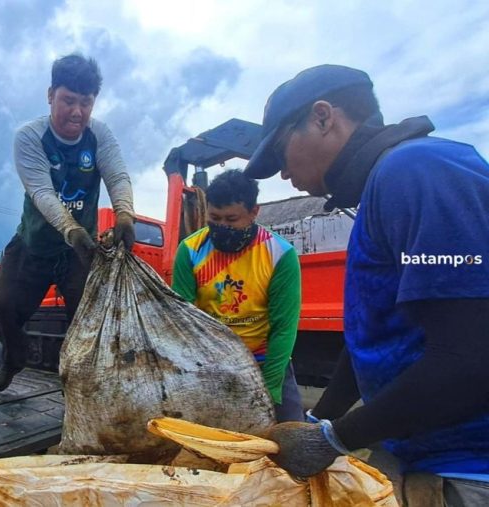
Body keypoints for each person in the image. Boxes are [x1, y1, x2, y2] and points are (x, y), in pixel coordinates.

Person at [245, 64, 489, 504]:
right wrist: (322, 417)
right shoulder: (381, 188)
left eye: (281, 153)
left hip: (468, 470)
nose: (284, 173)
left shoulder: (416, 172)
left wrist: (337, 437)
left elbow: (470, 357)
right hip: (420, 451)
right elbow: (376, 341)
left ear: (323, 117)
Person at [0, 53, 135, 393]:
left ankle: (79, 384)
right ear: (50, 94)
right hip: (34, 244)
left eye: (86, 103)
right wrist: (72, 230)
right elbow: (42, 193)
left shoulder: (99, 135)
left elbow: (117, 175)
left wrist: (124, 213)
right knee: (5, 306)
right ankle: (13, 358)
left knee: (86, 321)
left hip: (79, 253)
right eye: (69, 100)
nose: (77, 112)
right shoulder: (29, 136)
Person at [171, 169, 303, 422]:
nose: (222, 227)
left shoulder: (280, 255)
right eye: (215, 218)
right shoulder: (189, 251)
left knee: (291, 437)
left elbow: (283, 329)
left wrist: (271, 390)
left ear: (254, 212)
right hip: (212, 365)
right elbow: (183, 322)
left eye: (231, 219)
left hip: (265, 361)